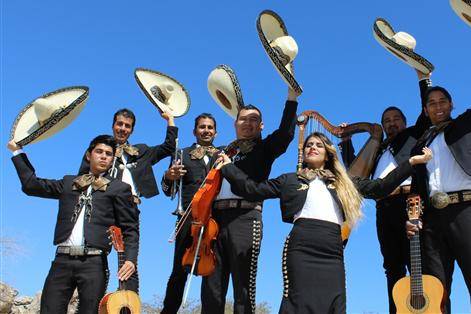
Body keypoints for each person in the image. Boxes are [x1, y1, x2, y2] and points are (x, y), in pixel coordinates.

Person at [217, 132, 432, 313]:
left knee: (335, 302)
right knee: (298, 302)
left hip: (332, 249)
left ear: (328, 152)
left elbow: (381, 187)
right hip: (301, 245)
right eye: (309, 144)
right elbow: (252, 190)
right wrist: (228, 167)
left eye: (318, 144)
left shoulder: (344, 183)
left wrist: (410, 163)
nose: (312, 147)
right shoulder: (290, 179)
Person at [8, 135, 139, 313]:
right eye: (99, 151)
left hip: (94, 262)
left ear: (112, 160)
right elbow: (32, 185)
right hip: (61, 260)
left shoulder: (120, 188)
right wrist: (17, 151)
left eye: (108, 154)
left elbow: (130, 228)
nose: (103, 156)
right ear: (88, 155)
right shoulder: (70, 182)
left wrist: (130, 259)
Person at [340, 70, 432, 312]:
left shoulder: (415, 135)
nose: (391, 123)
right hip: (384, 207)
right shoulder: (378, 148)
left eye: (396, 118)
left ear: (404, 121)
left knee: (418, 264)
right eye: (386, 120)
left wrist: (424, 80)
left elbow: (426, 111)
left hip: (411, 204)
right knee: (392, 266)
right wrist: (346, 141)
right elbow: (355, 173)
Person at [201, 89, 299, 314]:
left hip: (245, 218)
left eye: (253, 119)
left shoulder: (265, 149)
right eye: (243, 119)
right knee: (210, 288)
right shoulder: (224, 152)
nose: (247, 123)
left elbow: (285, 133)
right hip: (214, 222)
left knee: (243, 288)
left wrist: (291, 99)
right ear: (235, 124)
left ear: (261, 126)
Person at [78, 108, 177, 293]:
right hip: (101, 208)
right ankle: (92, 302)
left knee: (129, 260)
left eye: (127, 126)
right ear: (113, 125)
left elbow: (168, 147)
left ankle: (128, 304)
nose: (123, 128)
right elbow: (83, 177)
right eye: (119, 124)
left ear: (132, 130)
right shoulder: (101, 151)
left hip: (129, 209)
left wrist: (170, 119)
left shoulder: (140, 151)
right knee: (94, 256)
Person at [407, 85, 471, 313]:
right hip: (432, 219)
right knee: (435, 289)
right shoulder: (421, 143)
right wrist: (413, 217)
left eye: (442, 101)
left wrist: (423, 77)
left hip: (466, 211)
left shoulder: (464, 125)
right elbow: (417, 185)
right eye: (432, 103)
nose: (438, 106)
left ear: (452, 105)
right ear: (425, 110)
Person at [160, 113, 218, 314]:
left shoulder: (223, 156)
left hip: (215, 222)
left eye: (210, 127)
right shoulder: (181, 154)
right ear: (195, 132)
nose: (206, 130)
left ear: (216, 132)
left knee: (213, 273)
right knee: (179, 271)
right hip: (187, 218)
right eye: (202, 127)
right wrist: (168, 176)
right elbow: (168, 190)